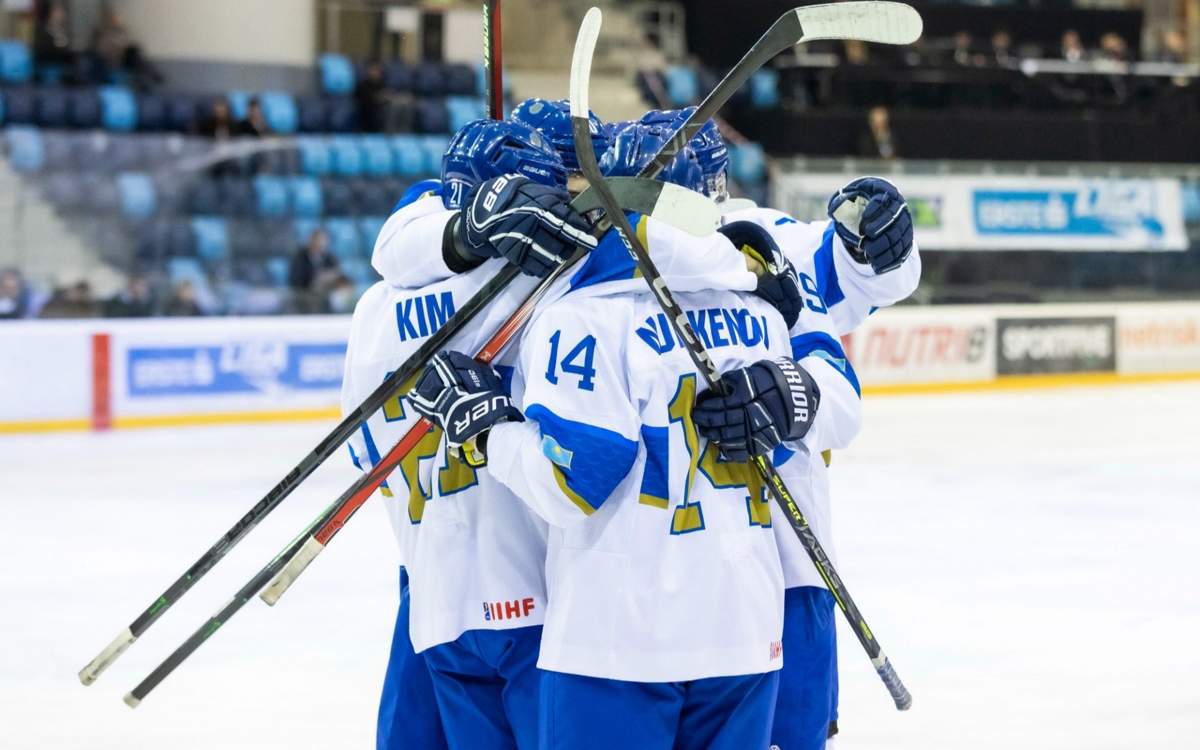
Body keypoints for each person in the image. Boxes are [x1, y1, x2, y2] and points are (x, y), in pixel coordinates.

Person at [346, 117, 594, 750]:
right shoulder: (549, 290)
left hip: (436, 595)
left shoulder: (374, 307)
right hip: (536, 591)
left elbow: (361, 449)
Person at [288, 228, 341, 313]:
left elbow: (337, 274)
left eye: (323, 241)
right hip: (304, 292)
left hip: (324, 293)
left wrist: (326, 277)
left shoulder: (329, 258)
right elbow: (296, 279)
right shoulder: (300, 257)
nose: (321, 244)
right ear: (311, 240)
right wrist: (315, 280)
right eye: (318, 240)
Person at [33, 3, 75, 70]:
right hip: (45, 66)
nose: (62, 14)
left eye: (62, 12)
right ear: (50, 13)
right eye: (57, 12)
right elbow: (40, 50)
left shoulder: (64, 31)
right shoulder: (42, 30)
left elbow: (69, 52)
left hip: (63, 69)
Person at [355, 61, 388, 133]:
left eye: (377, 70)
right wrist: (378, 98)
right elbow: (365, 98)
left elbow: (386, 97)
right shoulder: (363, 84)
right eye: (373, 70)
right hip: (366, 112)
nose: (375, 72)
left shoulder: (382, 84)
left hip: (380, 110)